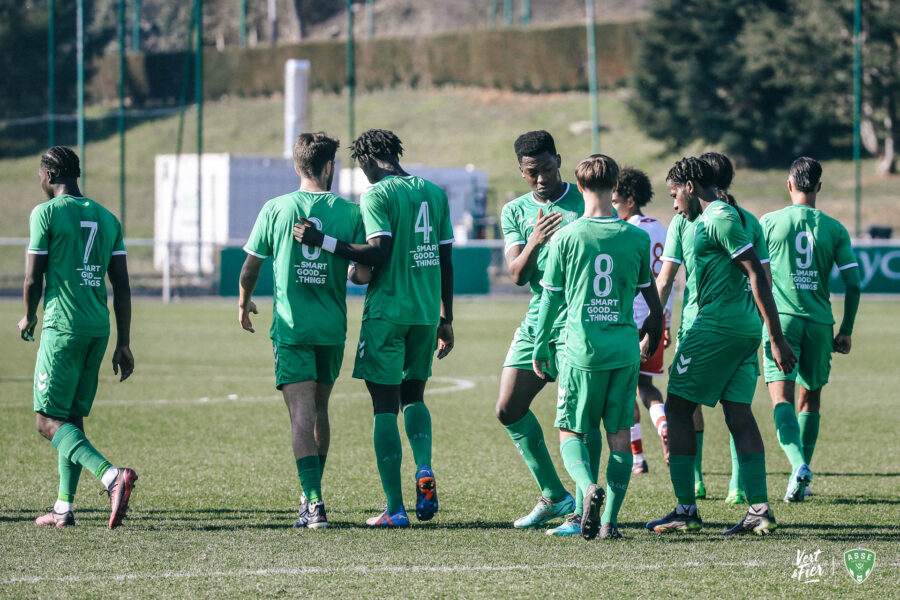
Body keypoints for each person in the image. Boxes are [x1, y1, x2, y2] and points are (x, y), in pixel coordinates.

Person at [294, 129, 454, 528]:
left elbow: (378, 252)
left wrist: (322, 241)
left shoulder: (377, 195)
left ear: (366, 159)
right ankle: (424, 467)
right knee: (414, 395)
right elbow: (445, 259)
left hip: (387, 313)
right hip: (425, 313)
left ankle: (395, 509)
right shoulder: (434, 193)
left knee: (384, 405)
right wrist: (446, 317)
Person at [647, 157, 796, 536]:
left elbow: (757, 274)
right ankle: (759, 509)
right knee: (738, 413)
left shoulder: (719, 218)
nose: (674, 205)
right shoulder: (731, 218)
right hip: (744, 328)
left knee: (677, 408)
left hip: (715, 326)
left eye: (674, 195)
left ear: (690, 187)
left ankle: (685, 509)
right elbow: (759, 276)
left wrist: (777, 338)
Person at [240, 132, 367, 530]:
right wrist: (347, 271)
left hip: (292, 328)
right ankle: (310, 498)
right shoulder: (350, 213)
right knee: (320, 410)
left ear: (297, 167)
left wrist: (244, 301)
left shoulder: (275, 208)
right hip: (331, 328)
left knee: (300, 414)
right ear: (330, 166)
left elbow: (250, 267)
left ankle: (313, 502)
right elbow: (363, 272)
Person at [533, 154, 663, 540]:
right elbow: (652, 301)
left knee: (571, 432)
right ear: (616, 186)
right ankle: (610, 523)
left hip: (582, 351)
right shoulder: (636, 238)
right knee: (619, 435)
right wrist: (651, 334)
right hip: (624, 349)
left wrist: (540, 345)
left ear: (579, 186)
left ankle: (588, 488)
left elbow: (550, 300)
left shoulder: (566, 237)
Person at [19, 146, 137, 529]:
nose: (39, 180)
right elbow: (122, 285)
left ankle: (111, 477)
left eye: (40, 174)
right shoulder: (108, 218)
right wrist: (124, 342)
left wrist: (29, 316)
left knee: (46, 421)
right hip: (98, 329)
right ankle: (63, 507)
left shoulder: (46, 213)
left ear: (50, 175)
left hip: (63, 329)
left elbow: (33, 277)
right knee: (71, 418)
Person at [496, 130, 583, 533]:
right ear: (522, 171)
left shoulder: (585, 201)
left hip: (579, 321)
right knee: (508, 408)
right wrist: (534, 241)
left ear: (559, 161)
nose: (542, 178)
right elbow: (516, 274)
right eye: (533, 172)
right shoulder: (514, 211)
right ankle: (554, 495)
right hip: (538, 319)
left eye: (548, 168)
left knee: (578, 419)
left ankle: (583, 510)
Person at [760, 157, 860, 501]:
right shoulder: (835, 229)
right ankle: (800, 481)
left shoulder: (769, 222)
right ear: (818, 187)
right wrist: (846, 329)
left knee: (781, 398)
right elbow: (854, 284)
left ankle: (798, 464)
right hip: (819, 323)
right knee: (811, 398)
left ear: (789, 185)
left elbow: (754, 276)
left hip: (782, 320)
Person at [610, 167, 673, 475]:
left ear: (630, 201)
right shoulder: (662, 228)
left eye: (615, 201)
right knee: (647, 386)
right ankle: (663, 423)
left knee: (625, 390)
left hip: (630, 321)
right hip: (656, 320)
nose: (612, 207)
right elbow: (667, 279)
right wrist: (666, 321)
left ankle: (637, 458)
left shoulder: (626, 232)